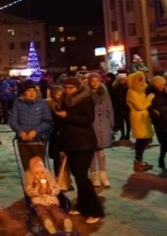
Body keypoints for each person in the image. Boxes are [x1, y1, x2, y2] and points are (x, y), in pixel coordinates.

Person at [53, 77, 104, 224]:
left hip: (84, 144)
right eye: (66, 87)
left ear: (78, 88)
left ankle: (96, 210)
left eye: (71, 88)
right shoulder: (65, 101)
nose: (68, 90)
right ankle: (82, 206)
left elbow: (87, 119)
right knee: (78, 176)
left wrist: (67, 115)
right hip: (71, 144)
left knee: (82, 177)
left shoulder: (86, 100)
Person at [9, 80, 53, 171]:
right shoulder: (18, 103)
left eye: (34, 90)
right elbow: (13, 120)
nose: (32, 93)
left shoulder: (42, 103)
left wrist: (35, 131)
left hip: (38, 140)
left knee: (39, 168)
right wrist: (20, 131)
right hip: (23, 141)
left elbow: (48, 121)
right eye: (29, 90)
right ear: (24, 92)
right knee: (27, 168)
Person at [24, 156, 73, 235]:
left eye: (42, 172)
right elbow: (28, 191)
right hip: (39, 203)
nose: (40, 175)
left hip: (52, 202)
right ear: (32, 175)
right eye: (36, 173)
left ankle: (64, 222)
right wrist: (38, 191)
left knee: (57, 212)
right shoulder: (32, 184)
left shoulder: (49, 180)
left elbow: (57, 188)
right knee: (42, 213)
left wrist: (51, 191)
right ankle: (48, 224)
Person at [88, 73, 114, 187]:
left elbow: (109, 107)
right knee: (93, 152)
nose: (95, 83)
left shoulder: (104, 92)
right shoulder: (87, 93)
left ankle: (103, 174)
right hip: (92, 125)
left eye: (97, 81)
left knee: (101, 153)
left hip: (103, 124)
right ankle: (94, 176)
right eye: (93, 81)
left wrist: (111, 122)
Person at [127, 71, 155, 172]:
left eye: (142, 79)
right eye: (138, 80)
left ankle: (139, 160)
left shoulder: (141, 90)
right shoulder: (132, 92)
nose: (141, 82)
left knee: (144, 139)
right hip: (138, 118)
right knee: (141, 139)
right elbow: (140, 106)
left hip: (144, 117)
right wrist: (149, 98)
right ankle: (138, 161)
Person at [148, 76, 167, 170]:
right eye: (162, 85)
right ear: (157, 85)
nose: (164, 86)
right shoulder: (150, 92)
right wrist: (154, 112)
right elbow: (148, 105)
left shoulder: (164, 92)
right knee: (165, 141)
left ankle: (161, 159)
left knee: (166, 141)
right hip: (159, 120)